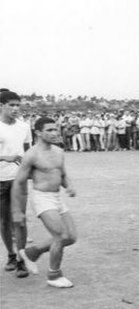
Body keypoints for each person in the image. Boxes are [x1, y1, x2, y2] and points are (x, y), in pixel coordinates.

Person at [11, 117, 78, 287]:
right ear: (38, 133)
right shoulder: (32, 154)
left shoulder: (59, 151)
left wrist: (69, 186)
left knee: (71, 237)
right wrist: (17, 211)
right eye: (49, 130)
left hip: (56, 197)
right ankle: (54, 275)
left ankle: (31, 252)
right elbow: (18, 183)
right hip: (42, 198)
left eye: (56, 129)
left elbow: (62, 175)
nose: (55, 133)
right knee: (60, 236)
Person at [0, 90, 31, 277]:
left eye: (18, 105)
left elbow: (28, 150)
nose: (15, 108)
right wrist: (5, 157)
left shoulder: (24, 127)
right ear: (1, 105)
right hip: (0, 180)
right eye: (11, 105)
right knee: (4, 222)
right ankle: (11, 255)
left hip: (19, 180)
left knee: (19, 220)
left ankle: (21, 259)